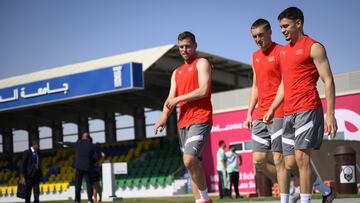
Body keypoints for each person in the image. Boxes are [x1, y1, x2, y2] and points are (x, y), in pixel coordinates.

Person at [264, 7, 338, 203]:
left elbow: (328, 80)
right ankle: (326, 191)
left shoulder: (314, 47)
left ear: (299, 23)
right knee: (290, 163)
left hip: (308, 108)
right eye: (280, 27)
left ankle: (305, 200)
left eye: (286, 26)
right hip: (288, 111)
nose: (283, 30)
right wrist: (272, 108)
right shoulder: (284, 52)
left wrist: (330, 114)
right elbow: (284, 84)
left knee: (302, 159)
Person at [153, 31, 213, 203]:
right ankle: (199, 201)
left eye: (187, 46)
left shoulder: (202, 63)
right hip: (183, 123)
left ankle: (206, 200)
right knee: (192, 166)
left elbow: (203, 90)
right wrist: (164, 117)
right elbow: (169, 99)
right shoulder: (176, 72)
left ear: (195, 46)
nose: (184, 50)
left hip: (201, 118)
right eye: (181, 47)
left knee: (189, 160)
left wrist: (178, 98)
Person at [246, 18, 290, 203]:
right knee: (259, 160)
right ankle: (290, 183)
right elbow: (255, 86)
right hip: (260, 113)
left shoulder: (282, 52)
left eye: (261, 35)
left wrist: (273, 108)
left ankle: (285, 198)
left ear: (270, 32)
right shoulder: (255, 56)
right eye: (254, 36)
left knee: (280, 159)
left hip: (280, 110)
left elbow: (285, 83)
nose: (258, 39)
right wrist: (249, 111)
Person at [58, 132, 99, 203]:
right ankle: (89, 199)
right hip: (87, 167)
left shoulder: (78, 143)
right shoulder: (91, 145)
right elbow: (96, 157)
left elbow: (71, 144)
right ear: (88, 138)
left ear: (82, 137)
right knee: (89, 184)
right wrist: (91, 162)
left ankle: (77, 200)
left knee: (78, 184)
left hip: (79, 167)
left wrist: (63, 142)